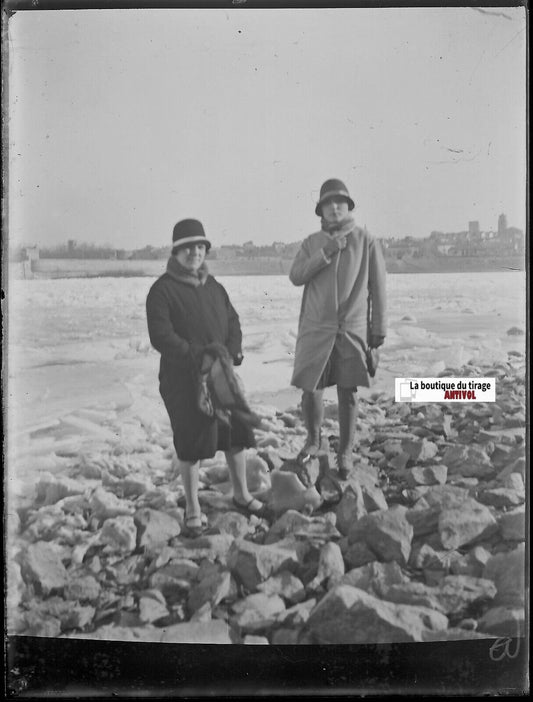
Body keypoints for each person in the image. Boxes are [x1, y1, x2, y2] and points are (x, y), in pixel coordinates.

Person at [146, 218, 267, 537]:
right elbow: (161, 335)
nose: (194, 253)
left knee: (235, 434)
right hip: (183, 379)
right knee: (192, 441)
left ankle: (241, 494)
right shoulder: (162, 290)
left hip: (220, 375)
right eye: (187, 248)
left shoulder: (214, 287)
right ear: (176, 252)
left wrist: (233, 351)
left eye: (200, 247)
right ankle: (193, 508)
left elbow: (233, 321)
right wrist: (196, 355)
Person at [289, 179, 387, 479]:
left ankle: (345, 451)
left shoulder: (365, 240)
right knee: (311, 390)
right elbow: (296, 276)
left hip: (351, 329)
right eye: (328, 204)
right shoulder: (311, 243)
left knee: (348, 392)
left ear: (348, 207)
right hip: (315, 330)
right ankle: (314, 440)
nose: (334, 208)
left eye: (339, 203)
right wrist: (326, 252)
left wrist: (377, 330)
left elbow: (378, 288)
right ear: (320, 210)